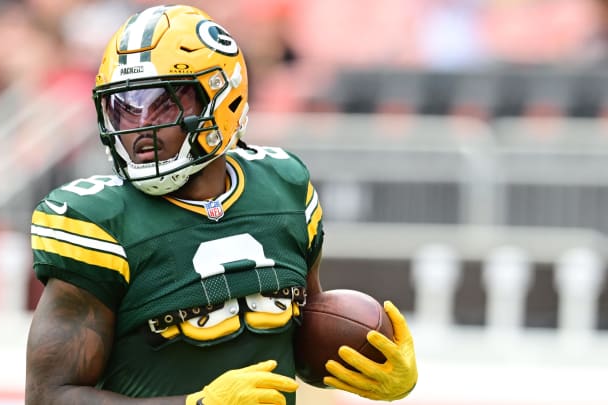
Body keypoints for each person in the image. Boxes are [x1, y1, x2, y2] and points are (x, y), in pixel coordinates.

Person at [24, 4, 418, 405]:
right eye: (124, 107)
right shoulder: (97, 222)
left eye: (162, 103)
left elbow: (294, 336)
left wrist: (370, 365)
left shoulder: (284, 188)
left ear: (222, 100)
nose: (139, 126)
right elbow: (49, 397)